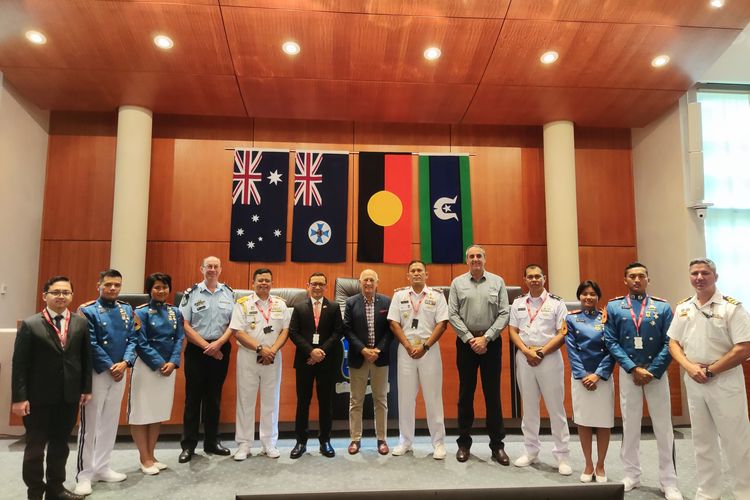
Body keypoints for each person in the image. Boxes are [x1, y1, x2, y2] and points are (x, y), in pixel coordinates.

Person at [667, 258, 750, 500]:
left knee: (736, 440)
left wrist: (711, 370)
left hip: (724, 381)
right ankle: (708, 492)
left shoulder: (732, 308)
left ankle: (744, 492)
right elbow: (673, 342)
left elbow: (744, 347)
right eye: (694, 273)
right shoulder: (684, 307)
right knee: (702, 440)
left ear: (715, 276)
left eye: (705, 273)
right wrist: (691, 368)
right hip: (694, 380)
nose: (699, 277)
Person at [604, 262, 682, 500]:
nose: (637, 280)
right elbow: (611, 341)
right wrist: (633, 368)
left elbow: (671, 341)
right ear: (625, 280)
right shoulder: (615, 307)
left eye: (641, 276)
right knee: (630, 426)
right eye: (632, 276)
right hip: (629, 373)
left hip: (656, 375)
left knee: (663, 427)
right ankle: (631, 475)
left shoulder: (662, 307)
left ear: (648, 279)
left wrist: (653, 370)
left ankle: (669, 481)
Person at [12, 276, 92, 500]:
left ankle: (56, 489)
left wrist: (86, 388)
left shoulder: (80, 323)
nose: (61, 296)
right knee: (35, 450)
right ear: (45, 296)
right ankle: (35, 492)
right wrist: (19, 398)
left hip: (68, 396)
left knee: (60, 446)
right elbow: (19, 365)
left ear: (72, 296)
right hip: (37, 398)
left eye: (66, 292)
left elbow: (86, 359)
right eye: (56, 292)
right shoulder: (31, 324)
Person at [75, 269, 138, 497]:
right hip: (97, 372)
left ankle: (102, 467)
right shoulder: (87, 310)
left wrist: (126, 363)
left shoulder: (126, 309)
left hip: (120, 371)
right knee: (90, 424)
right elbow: (89, 343)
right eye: (108, 284)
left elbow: (133, 338)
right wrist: (111, 365)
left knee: (110, 421)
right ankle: (84, 474)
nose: (113, 289)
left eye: (117, 285)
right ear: (98, 285)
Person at [448, 245, 510, 465]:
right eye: (471, 256)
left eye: (479, 256)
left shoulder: (497, 282)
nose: (475, 259)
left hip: (491, 343)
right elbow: (452, 314)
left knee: (492, 395)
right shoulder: (457, 283)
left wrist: (487, 337)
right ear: (467, 260)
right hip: (466, 344)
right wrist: (469, 338)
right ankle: (464, 443)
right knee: (466, 394)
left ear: (485, 259)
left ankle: (497, 446)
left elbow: (505, 313)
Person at [508, 264, 572, 475]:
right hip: (525, 358)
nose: (534, 280)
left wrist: (541, 352)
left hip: (549, 359)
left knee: (556, 409)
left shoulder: (556, 303)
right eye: (530, 277)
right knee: (529, 408)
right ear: (524, 280)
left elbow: (562, 333)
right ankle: (531, 451)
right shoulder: (517, 304)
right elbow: (512, 330)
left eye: (538, 276)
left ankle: (562, 456)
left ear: (544, 278)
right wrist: (527, 352)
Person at [387, 260, 449, 459]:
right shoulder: (399, 295)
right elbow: (394, 323)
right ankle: (405, 441)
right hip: (406, 350)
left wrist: (425, 346)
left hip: (428, 350)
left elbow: (442, 324)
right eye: (412, 271)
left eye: (419, 270)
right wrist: (407, 345)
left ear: (426, 274)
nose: (416, 273)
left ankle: (438, 443)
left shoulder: (437, 296)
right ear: (408, 275)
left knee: (433, 398)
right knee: (405, 399)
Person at [178, 256, 234, 463]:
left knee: (214, 398)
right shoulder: (191, 294)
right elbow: (184, 324)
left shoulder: (229, 293)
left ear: (220, 269)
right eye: (208, 266)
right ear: (201, 269)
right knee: (193, 399)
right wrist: (206, 346)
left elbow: (233, 324)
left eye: (215, 266)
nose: (212, 269)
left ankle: (212, 442)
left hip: (221, 349)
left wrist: (218, 344)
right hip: (196, 351)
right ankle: (188, 445)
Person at [230, 268, 290, 461]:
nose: (264, 283)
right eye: (260, 280)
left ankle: (268, 443)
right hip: (248, 357)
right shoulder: (243, 304)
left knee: (271, 400)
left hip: (273, 358)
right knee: (245, 401)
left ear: (272, 283)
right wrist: (260, 349)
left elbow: (285, 331)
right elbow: (238, 332)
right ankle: (244, 444)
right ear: (253, 283)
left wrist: (271, 350)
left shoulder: (281, 304)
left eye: (267, 280)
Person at [129, 273, 185, 474]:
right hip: (147, 367)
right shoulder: (139, 312)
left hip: (168, 368)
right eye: (157, 287)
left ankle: (151, 455)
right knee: (141, 413)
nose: (161, 291)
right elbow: (139, 341)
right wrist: (160, 362)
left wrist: (173, 362)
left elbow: (179, 338)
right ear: (149, 290)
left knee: (157, 412)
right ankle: (144, 458)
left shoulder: (175, 312)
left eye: (165, 287)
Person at [288, 272, 344, 459]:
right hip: (305, 361)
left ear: (326, 286)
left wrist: (321, 352)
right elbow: (294, 333)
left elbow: (338, 332)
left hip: (326, 362)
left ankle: (325, 441)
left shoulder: (334, 307)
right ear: (308, 285)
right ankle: (300, 441)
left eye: (321, 284)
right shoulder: (299, 307)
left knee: (325, 403)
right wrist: (310, 352)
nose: (317, 287)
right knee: (303, 402)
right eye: (314, 284)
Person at [564, 280, 615, 483]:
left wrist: (599, 374)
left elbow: (613, 348)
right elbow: (571, 349)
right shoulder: (571, 319)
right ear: (579, 296)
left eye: (593, 294)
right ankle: (588, 463)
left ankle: (601, 464)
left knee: (603, 422)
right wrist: (583, 374)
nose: (588, 297)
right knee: (583, 421)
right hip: (580, 377)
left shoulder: (608, 318)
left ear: (598, 297)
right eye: (584, 294)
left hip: (602, 377)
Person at [343, 269, 393, 455]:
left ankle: (382, 439)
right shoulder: (351, 302)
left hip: (380, 358)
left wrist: (377, 350)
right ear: (360, 282)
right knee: (356, 400)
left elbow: (390, 330)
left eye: (372, 280)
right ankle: (355, 439)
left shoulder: (386, 302)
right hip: (359, 357)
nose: (369, 283)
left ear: (377, 282)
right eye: (365, 280)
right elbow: (347, 329)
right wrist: (363, 350)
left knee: (380, 400)